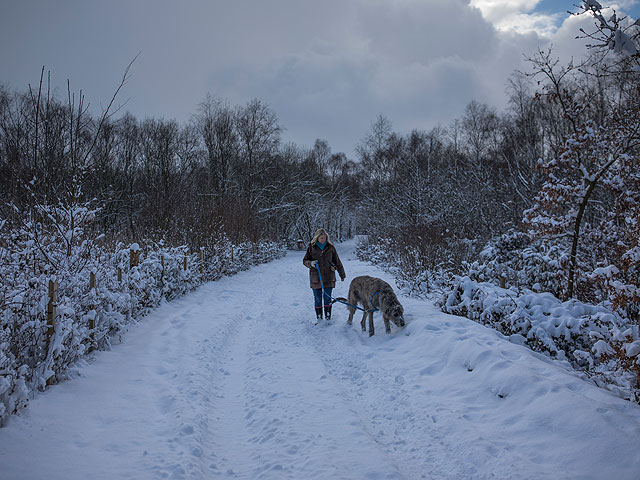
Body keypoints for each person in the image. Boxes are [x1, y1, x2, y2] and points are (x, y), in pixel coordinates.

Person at [303, 228, 346, 322]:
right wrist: (311, 263)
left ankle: (328, 316)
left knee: (327, 297)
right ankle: (319, 317)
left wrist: (342, 274)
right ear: (317, 238)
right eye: (321, 238)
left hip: (329, 276)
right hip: (316, 277)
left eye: (324, 238)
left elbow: (337, 261)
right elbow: (305, 261)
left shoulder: (330, 247)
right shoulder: (311, 247)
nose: (323, 240)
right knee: (317, 298)